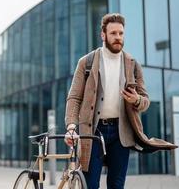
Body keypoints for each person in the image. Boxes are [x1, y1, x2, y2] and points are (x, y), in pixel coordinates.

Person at [64, 13, 150, 189]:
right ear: (103, 35)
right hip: (93, 132)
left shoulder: (133, 64)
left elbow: (145, 100)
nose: (118, 37)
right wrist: (72, 127)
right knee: (90, 184)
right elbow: (74, 97)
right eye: (113, 33)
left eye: (121, 33)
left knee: (117, 185)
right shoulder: (86, 62)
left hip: (122, 133)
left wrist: (136, 100)